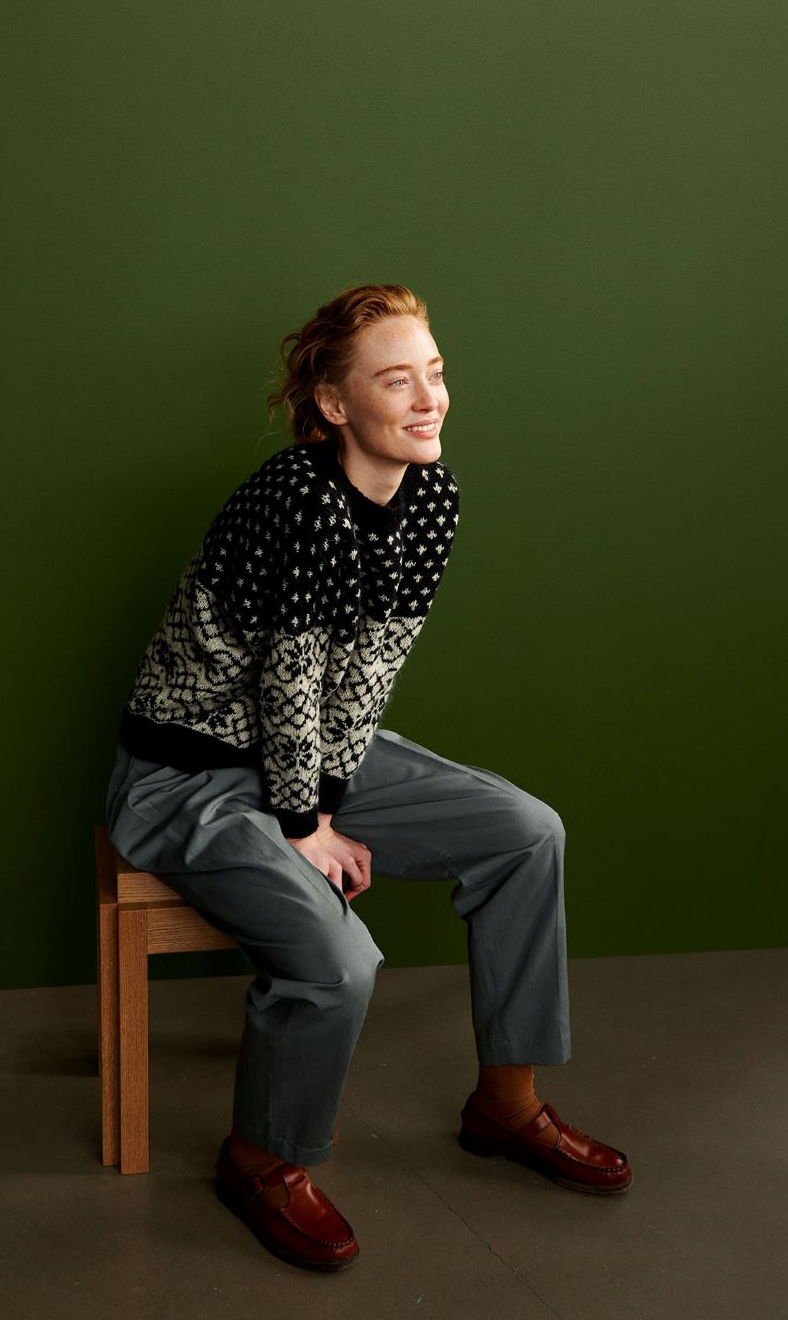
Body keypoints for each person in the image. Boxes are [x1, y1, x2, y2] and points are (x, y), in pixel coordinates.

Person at [104, 282, 631, 1273]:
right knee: (341, 961)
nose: (430, 399)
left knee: (527, 831)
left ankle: (506, 1104)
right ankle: (262, 1157)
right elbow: (290, 676)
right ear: (334, 403)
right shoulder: (292, 497)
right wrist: (305, 824)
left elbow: (366, 676)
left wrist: (327, 800)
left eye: (436, 372)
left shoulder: (431, 498)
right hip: (185, 775)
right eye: (397, 381)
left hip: (306, 755)